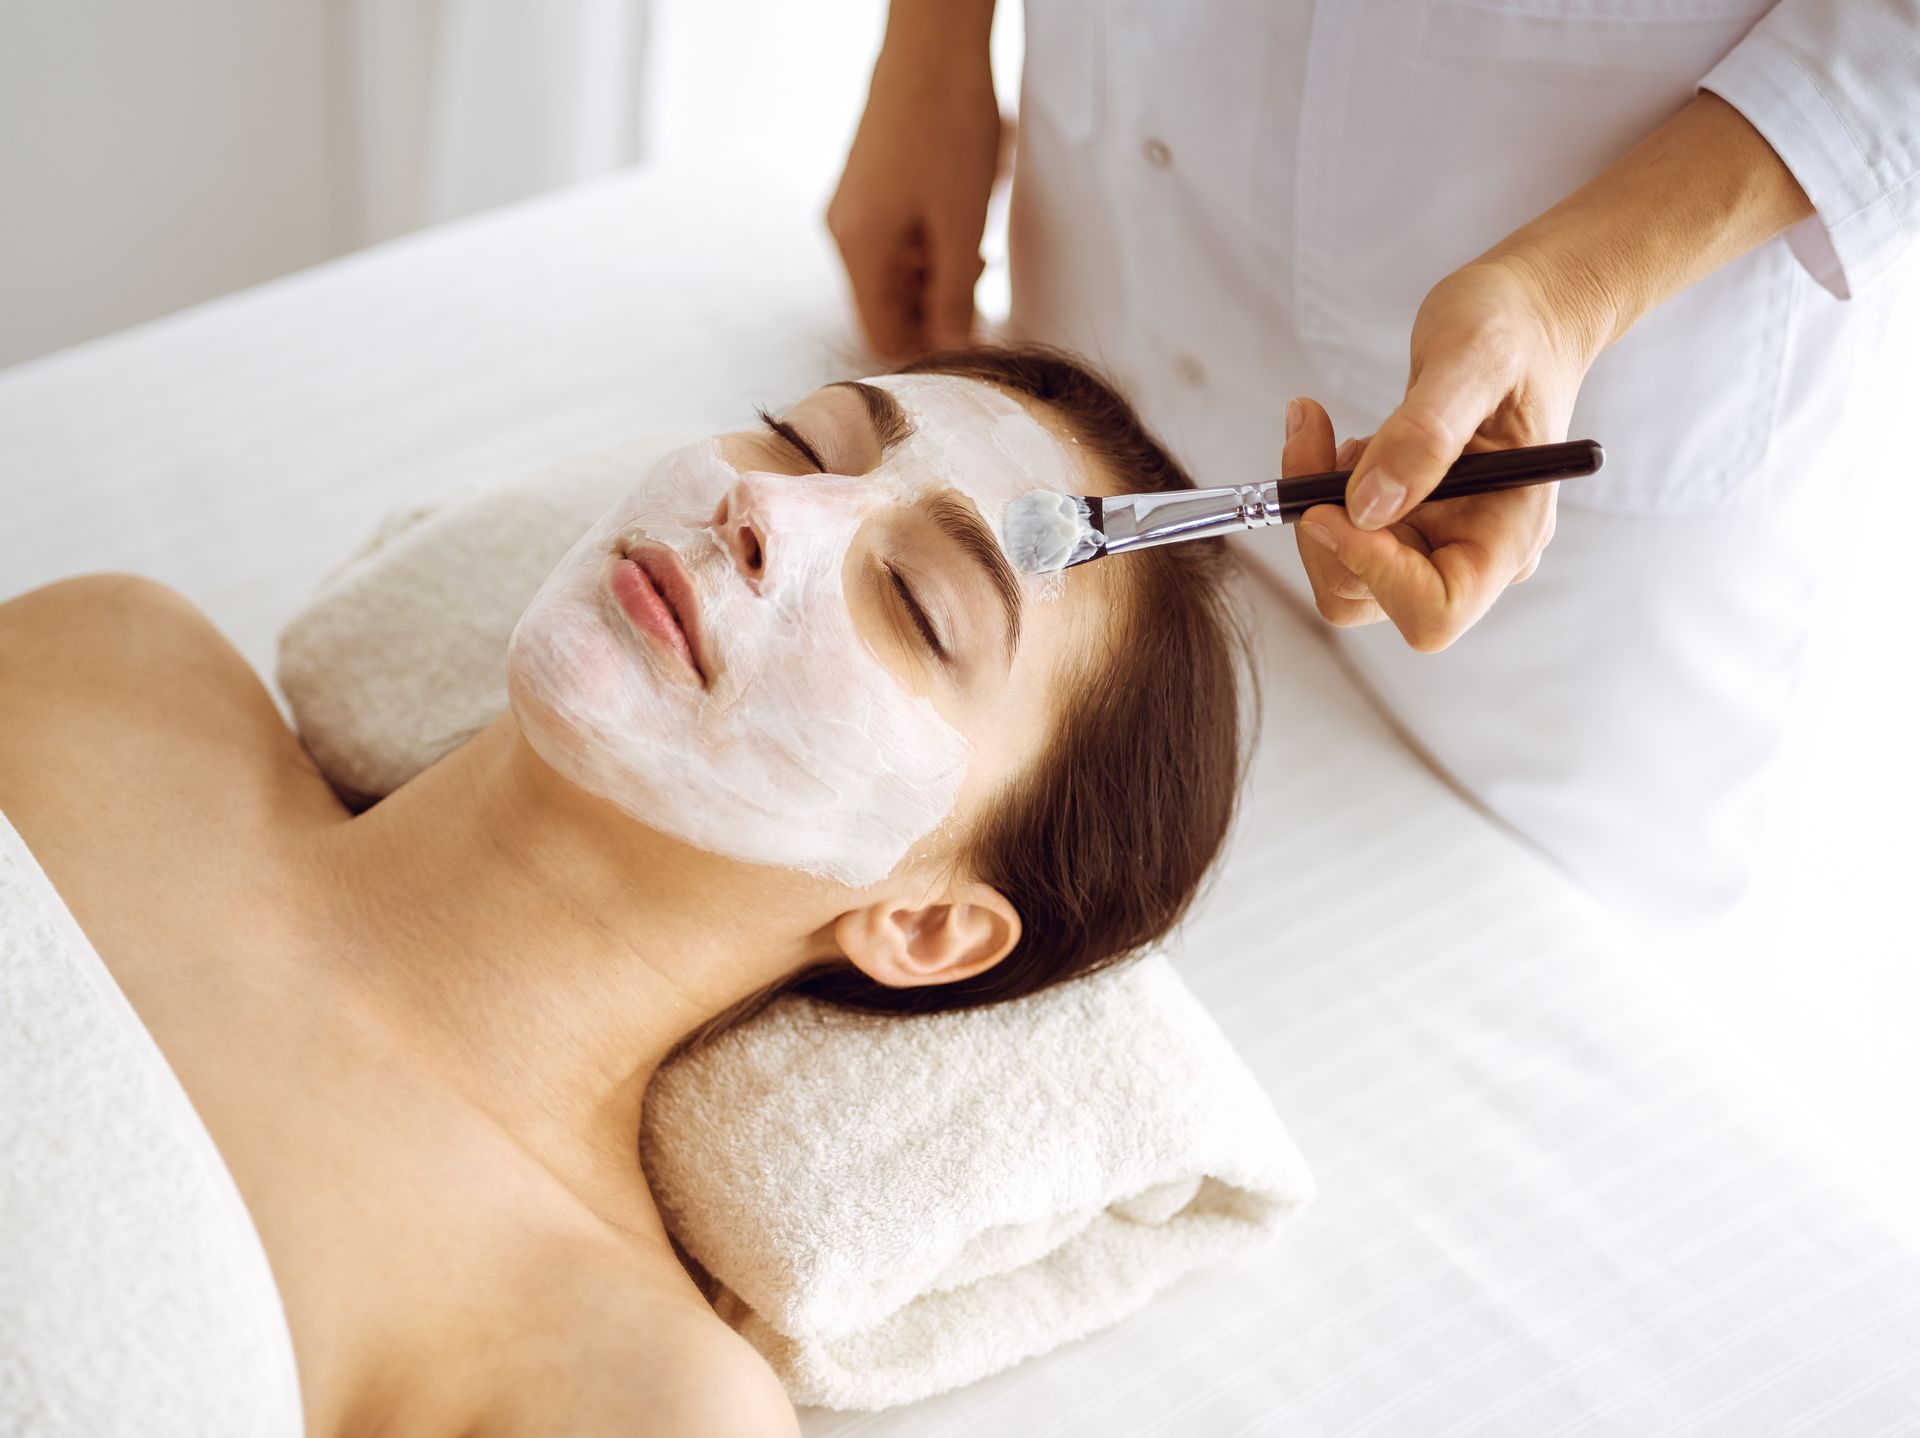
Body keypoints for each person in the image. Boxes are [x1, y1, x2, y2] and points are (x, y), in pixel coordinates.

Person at [0, 346, 1248, 1437]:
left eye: (919, 603)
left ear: (924, 925)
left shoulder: (620, 1385)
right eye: (803, 439)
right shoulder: (111, 675)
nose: (764, 502)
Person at [829, 0, 1920, 927]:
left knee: (1518, 928)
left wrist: (1573, 293)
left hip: (1606, 379)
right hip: (1119, 195)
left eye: (916, 605)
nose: (766, 519)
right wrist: (932, 44)